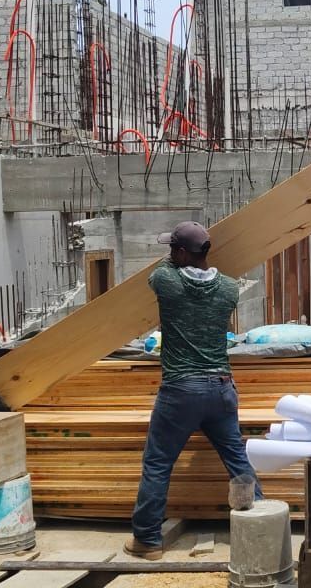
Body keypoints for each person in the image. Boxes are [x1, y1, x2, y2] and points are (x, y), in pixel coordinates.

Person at [125, 221, 262, 560]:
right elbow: (194, 268)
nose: (169, 254)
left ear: (182, 253)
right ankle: (261, 530)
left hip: (181, 390)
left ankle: (147, 540)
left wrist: (180, 257)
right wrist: (196, 253)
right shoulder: (230, 288)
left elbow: (164, 268)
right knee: (236, 459)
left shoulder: (166, 281)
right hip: (221, 388)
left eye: (173, 248)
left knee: (157, 463)